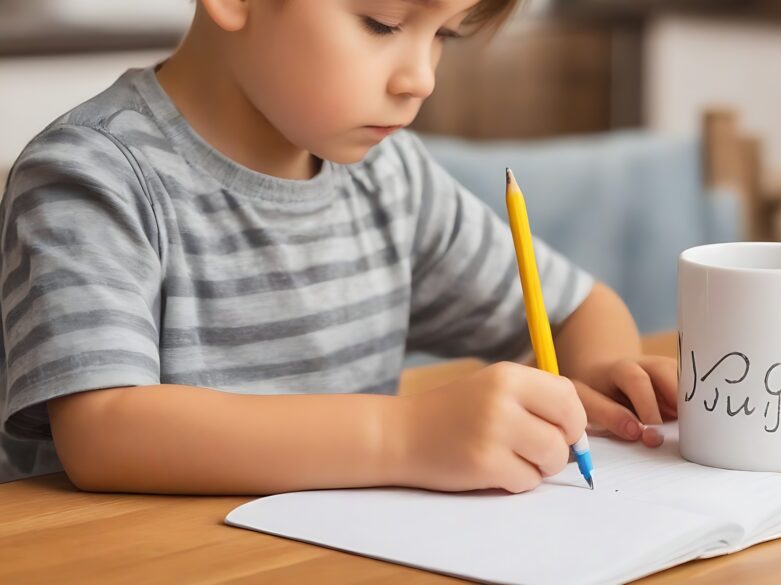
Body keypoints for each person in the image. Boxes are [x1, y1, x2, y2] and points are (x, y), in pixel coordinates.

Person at [0, 0, 677, 495]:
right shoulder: (93, 173)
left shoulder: (391, 179)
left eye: (443, 34)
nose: (421, 78)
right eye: (381, 23)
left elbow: (578, 306)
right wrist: (404, 436)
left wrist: (597, 378)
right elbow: (104, 433)